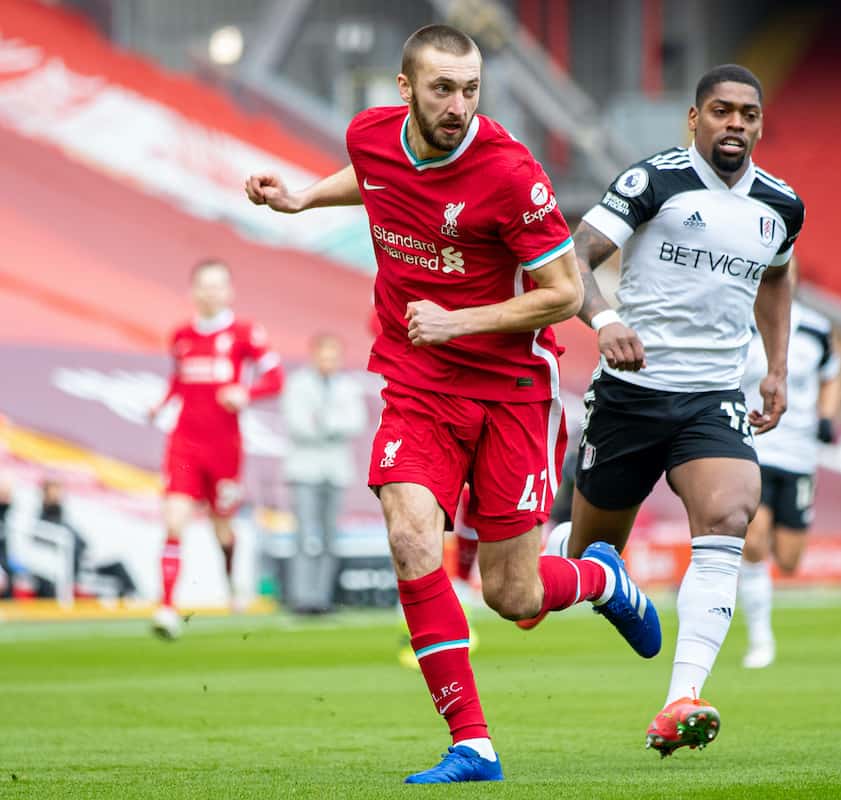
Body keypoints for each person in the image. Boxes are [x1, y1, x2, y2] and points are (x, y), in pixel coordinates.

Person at [244, 24, 661, 784]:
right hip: (417, 383)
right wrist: (303, 197)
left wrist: (455, 320)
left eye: (471, 90)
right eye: (443, 89)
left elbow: (565, 292)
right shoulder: (370, 136)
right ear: (404, 90)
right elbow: (370, 175)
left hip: (510, 393)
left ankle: (600, 579)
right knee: (410, 539)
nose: (459, 105)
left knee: (514, 594)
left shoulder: (510, 173)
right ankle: (474, 744)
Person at [536, 63, 804, 756]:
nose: (735, 124)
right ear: (695, 119)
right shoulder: (652, 180)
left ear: (760, 124)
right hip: (629, 394)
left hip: (713, 399)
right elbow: (573, 258)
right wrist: (604, 323)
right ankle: (603, 583)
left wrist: (775, 368)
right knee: (579, 558)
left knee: (730, 515)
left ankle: (681, 697)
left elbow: (777, 275)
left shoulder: (781, 204)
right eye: (721, 111)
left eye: (748, 113)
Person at [148, 259, 284, 639]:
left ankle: (230, 578)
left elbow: (275, 378)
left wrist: (247, 393)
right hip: (184, 442)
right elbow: (178, 379)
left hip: (225, 447)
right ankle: (167, 607)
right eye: (204, 286)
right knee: (174, 518)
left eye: (218, 285)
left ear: (229, 291)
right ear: (193, 291)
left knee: (222, 527)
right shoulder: (181, 335)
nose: (210, 292)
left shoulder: (245, 333)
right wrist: (161, 405)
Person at [737, 296, 841, 669]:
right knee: (754, 543)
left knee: (789, 558)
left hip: (799, 455)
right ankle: (760, 639)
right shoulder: (744, 317)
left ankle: (727, 573)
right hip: (756, 447)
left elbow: (831, 376)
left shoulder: (817, 326)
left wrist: (826, 417)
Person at [281, 333, 368, 614]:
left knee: (331, 537)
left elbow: (357, 423)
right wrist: (334, 424)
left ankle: (322, 597)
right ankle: (302, 597)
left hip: (336, 470)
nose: (328, 361)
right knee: (305, 536)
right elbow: (298, 426)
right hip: (305, 470)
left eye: (333, 356)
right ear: (314, 355)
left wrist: (323, 421)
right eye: (324, 355)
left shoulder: (347, 386)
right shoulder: (298, 383)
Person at [38, 477, 139, 600]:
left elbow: (82, 542)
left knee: (118, 566)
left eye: (58, 491)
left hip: (83, 564)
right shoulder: (44, 521)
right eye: (54, 492)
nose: (58, 496)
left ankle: (132, 596)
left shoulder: (63, 518)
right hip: (70, 569)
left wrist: (85, 552)